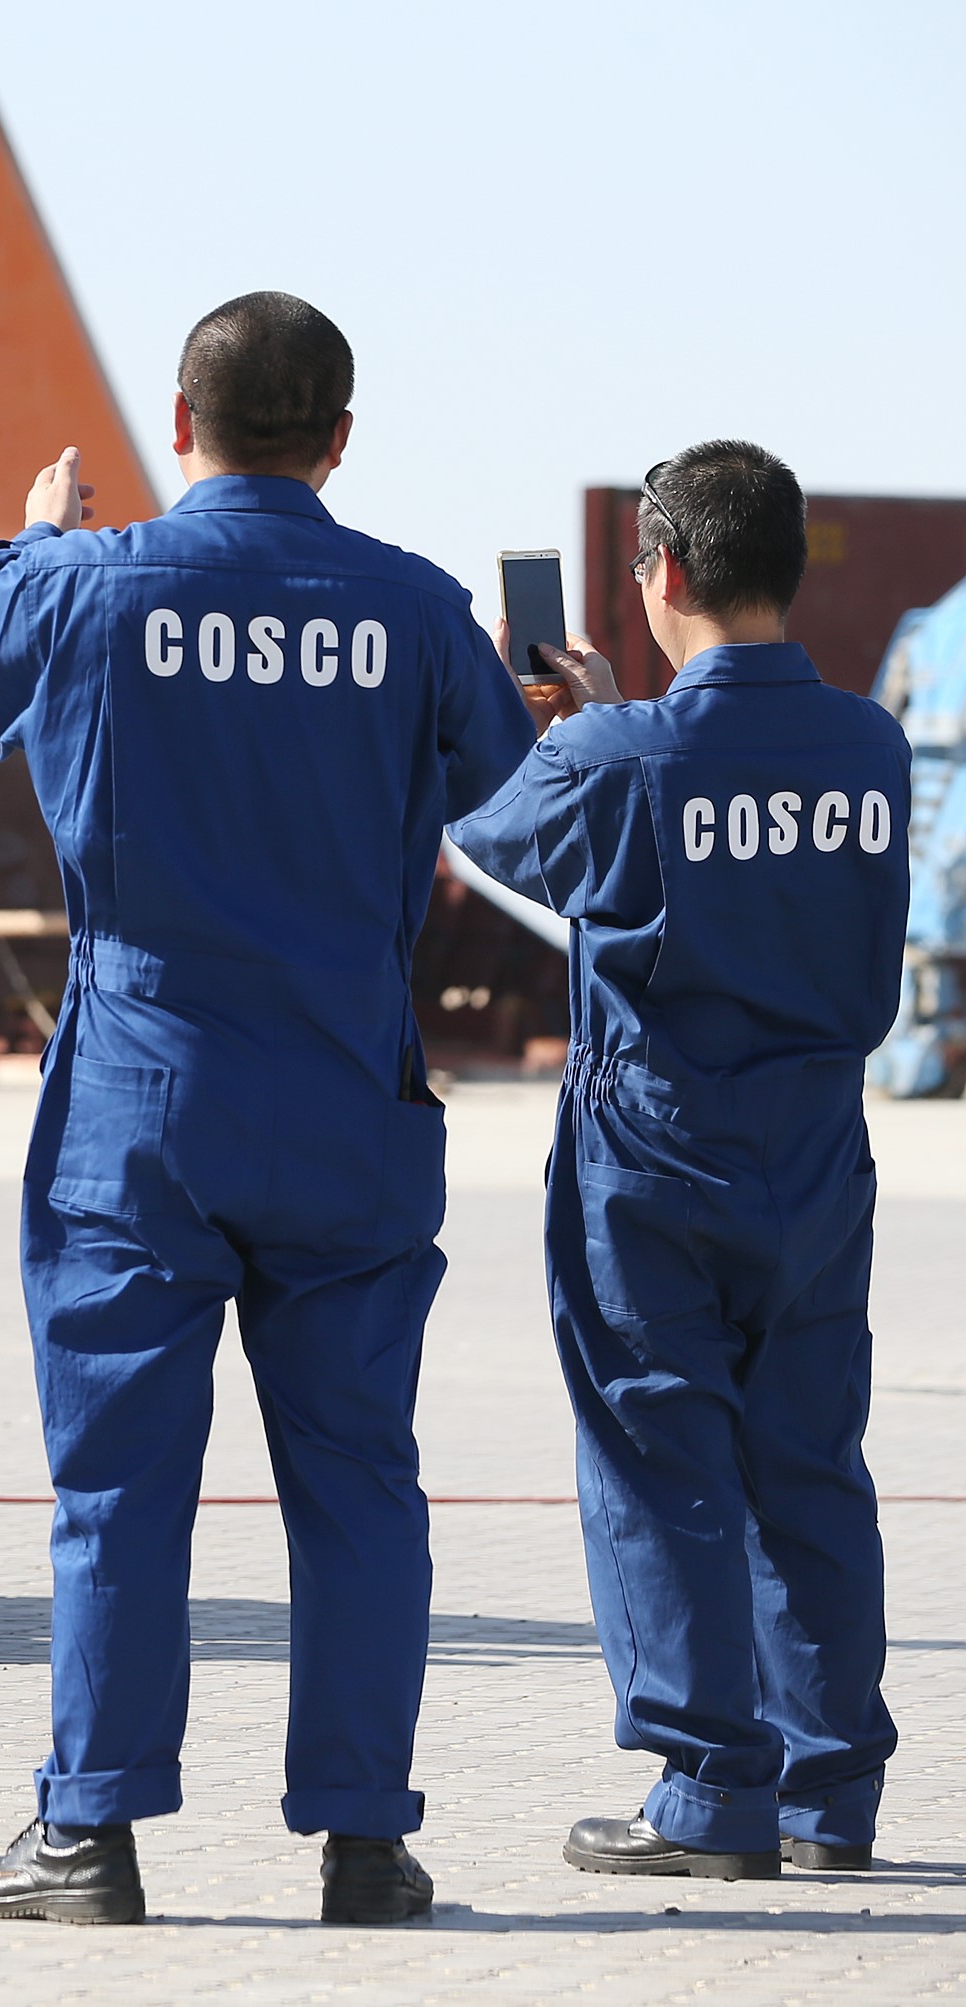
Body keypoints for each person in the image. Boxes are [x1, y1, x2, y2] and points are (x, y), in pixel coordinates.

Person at [0, 293, 535, 1928]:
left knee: (121, 1481)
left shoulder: (88, 585)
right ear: (337, 439)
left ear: (177, 425)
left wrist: (30, 537)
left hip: (146, 1098)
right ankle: (367, 1839)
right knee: (358, 1478)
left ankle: (92, 1835)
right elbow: (492, 775)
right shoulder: (407, 604)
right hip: (345, 1098)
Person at [448, 444, 909, 1880]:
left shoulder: (615, 755)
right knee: (809, 1462)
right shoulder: (868, 744)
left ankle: (709, 1790)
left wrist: (553, 722)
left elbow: (482, 829)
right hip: (818, 1147)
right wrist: (610, 725)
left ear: (659, 571)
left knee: (659, 1456)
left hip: (653, 1146)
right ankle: (829, 1788)